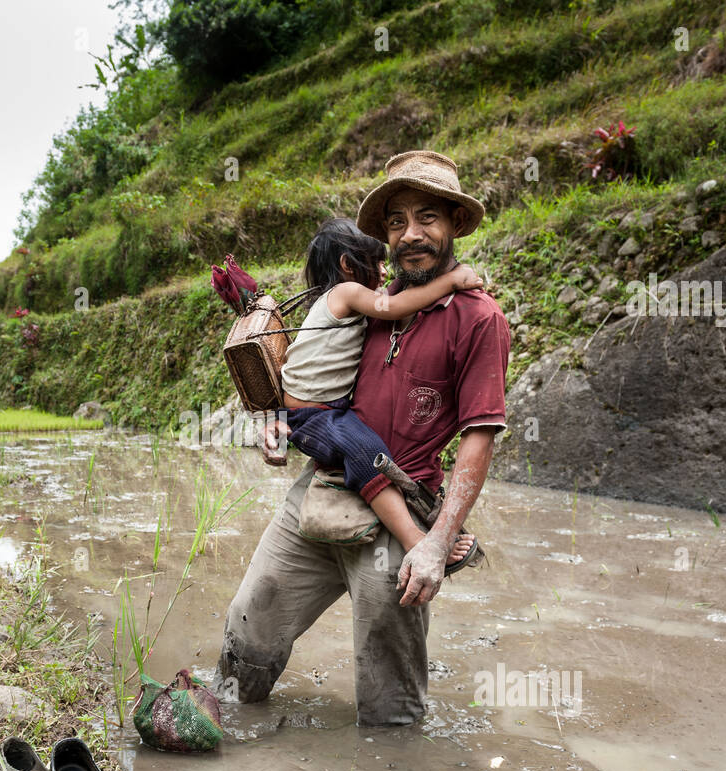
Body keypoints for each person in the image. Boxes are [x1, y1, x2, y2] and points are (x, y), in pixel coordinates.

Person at [217, 150, 511, 726]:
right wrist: (273, 422)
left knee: (388, 702)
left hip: (398, 509)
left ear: (454, 224)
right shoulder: (367, 305)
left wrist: (437, 539)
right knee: (247, 631)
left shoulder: (477, 318)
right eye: (397, 222)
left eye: (427, 217)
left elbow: (480, 434)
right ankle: (222, 726)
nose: (411, 233)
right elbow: (300, 375)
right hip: (321, 491)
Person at [278, 216, 482, 569]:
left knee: (365, 448)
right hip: (315, 416)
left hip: (318, 410)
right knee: (368, 456)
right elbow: (396, 306)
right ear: (347, 265)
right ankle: (415, 539)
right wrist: (450, 281)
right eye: (376, 262)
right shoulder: (347, 293)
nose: (385, 271)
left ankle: (434, 525)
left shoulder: (330, 301)